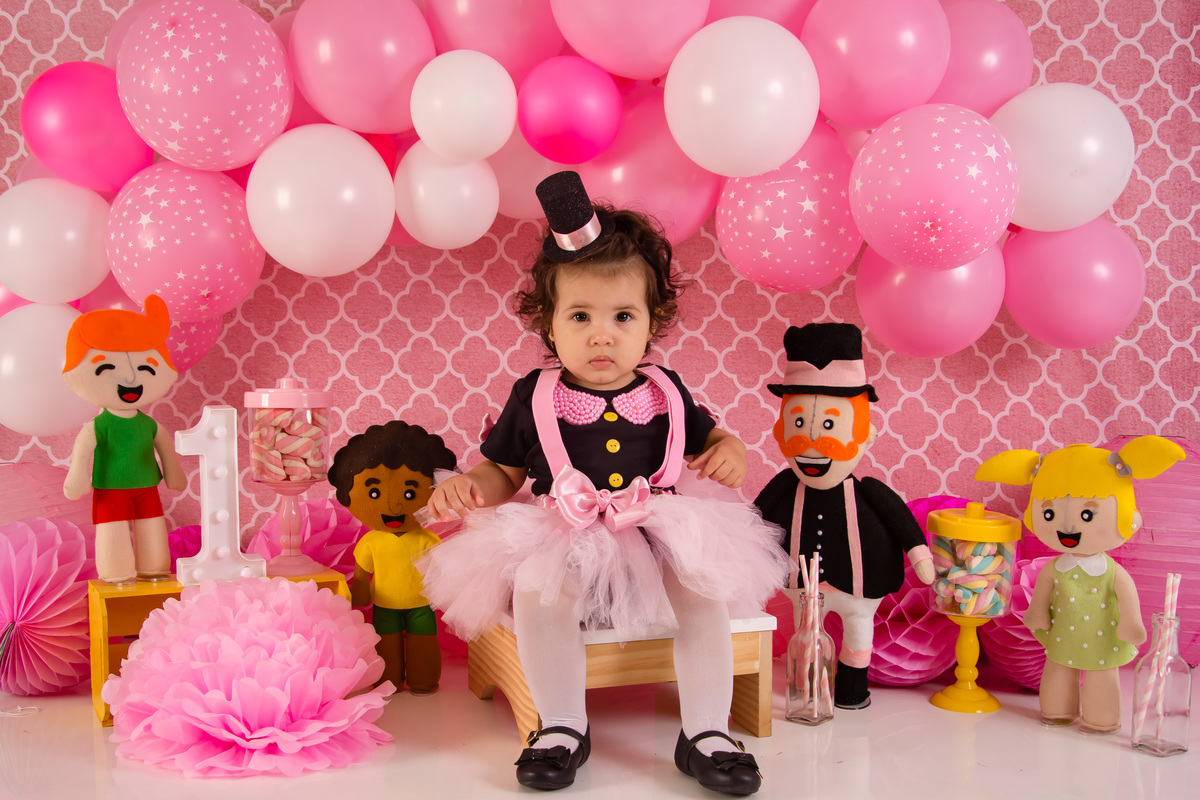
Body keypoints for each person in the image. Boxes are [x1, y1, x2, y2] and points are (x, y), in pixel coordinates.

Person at [419, 171, 788, 795]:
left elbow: (710, 439)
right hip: (563, 527)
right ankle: (563, 725)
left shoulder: (665, 390)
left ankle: (705, 731)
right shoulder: (534, 395)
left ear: (651, 323)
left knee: (701, 588)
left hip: (657, 522)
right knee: (539, 592)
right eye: (580, 315)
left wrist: (731, 450)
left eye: (622, 316)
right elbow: (504, 470)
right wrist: (471, 486)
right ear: (549, 324)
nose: (601, 334)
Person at [754, 323, 935, 709]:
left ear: (866, 433)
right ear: (780, 429)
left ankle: (853, 689)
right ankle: (807, 690)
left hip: (860, 584)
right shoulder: (784, 486)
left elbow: (901, 521)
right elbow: (752, 521)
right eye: (798, 423)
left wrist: (919, 554)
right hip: (801, 585)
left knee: (858, 629)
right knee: (806, 632)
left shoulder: (869, 491)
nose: (812, 441)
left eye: (830, 425)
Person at [976, 437, 1184, 733]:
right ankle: (1057, 711)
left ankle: (1101, 719)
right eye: (1049, 514)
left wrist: (1131, 624)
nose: (1068, 529)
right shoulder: (1055, 569)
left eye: (1088, 515)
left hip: (1102, 637)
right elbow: (1042, 597)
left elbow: (1127, 597)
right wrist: (1037, 614)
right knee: (1058, 669)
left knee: (1102, 675)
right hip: (1063, 635)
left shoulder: (1112, 572)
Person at [62, 294, 186, 584]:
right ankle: (116, 571)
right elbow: (82, 453)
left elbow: (166, 450)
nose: (131, 380)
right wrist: (78, 476)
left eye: (146, 369)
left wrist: (173, 473)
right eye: (105, 369)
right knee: (112, 530)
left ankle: (154, 566)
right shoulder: (99, 426)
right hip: (110, 487)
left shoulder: (149, 425)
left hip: (146, 486)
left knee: (152, 527)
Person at [329, 420, 458, 695]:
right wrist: (359, 597)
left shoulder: (427, 539)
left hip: (421, 604)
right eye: (373, 493)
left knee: (424, 642)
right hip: (384, 605)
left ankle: (423, 679)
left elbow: (442, 571)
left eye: (410, 493)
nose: (393, 506)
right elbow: (362, 575)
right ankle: (389, 680)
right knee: (385, 643)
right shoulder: (371, 542)